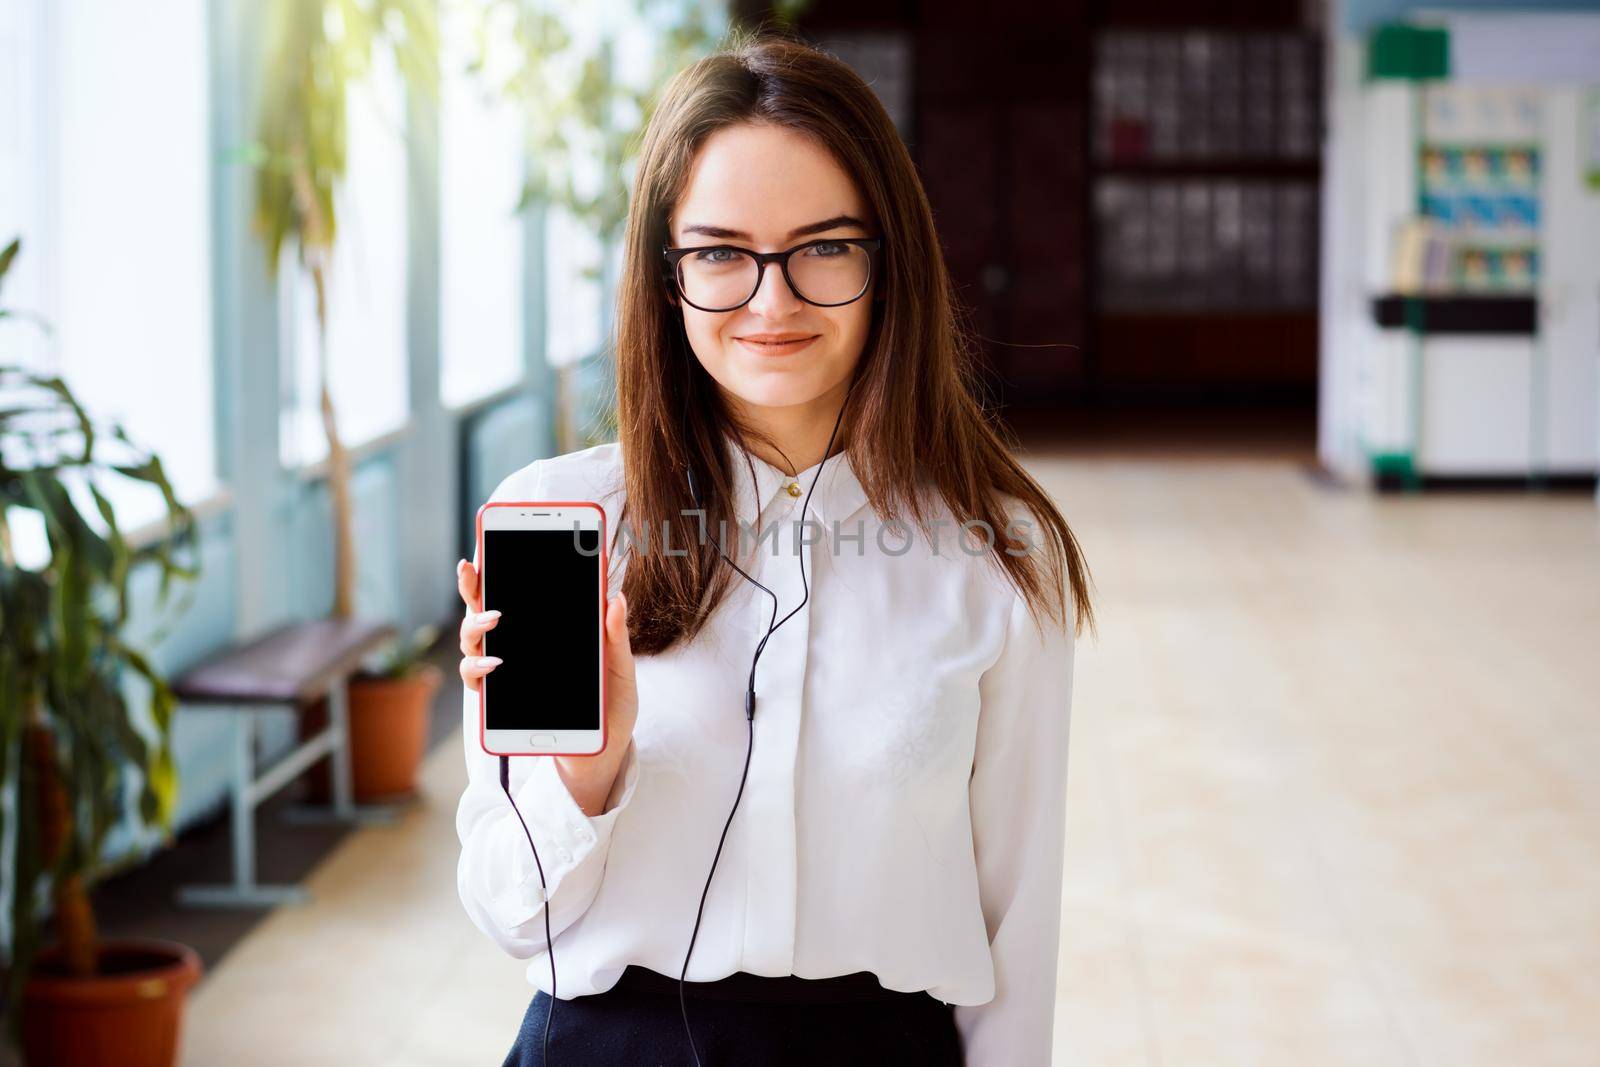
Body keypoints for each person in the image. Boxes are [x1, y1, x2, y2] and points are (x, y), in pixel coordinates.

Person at [454, 28, 1096, 1067]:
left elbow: (1018, 922)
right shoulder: (561, 521)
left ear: (890, 263)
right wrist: (586, 770)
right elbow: (510, 912)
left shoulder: (1000, 557)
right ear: (666, 278)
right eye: (719, 253)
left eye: (824, 247)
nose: (772, 301)